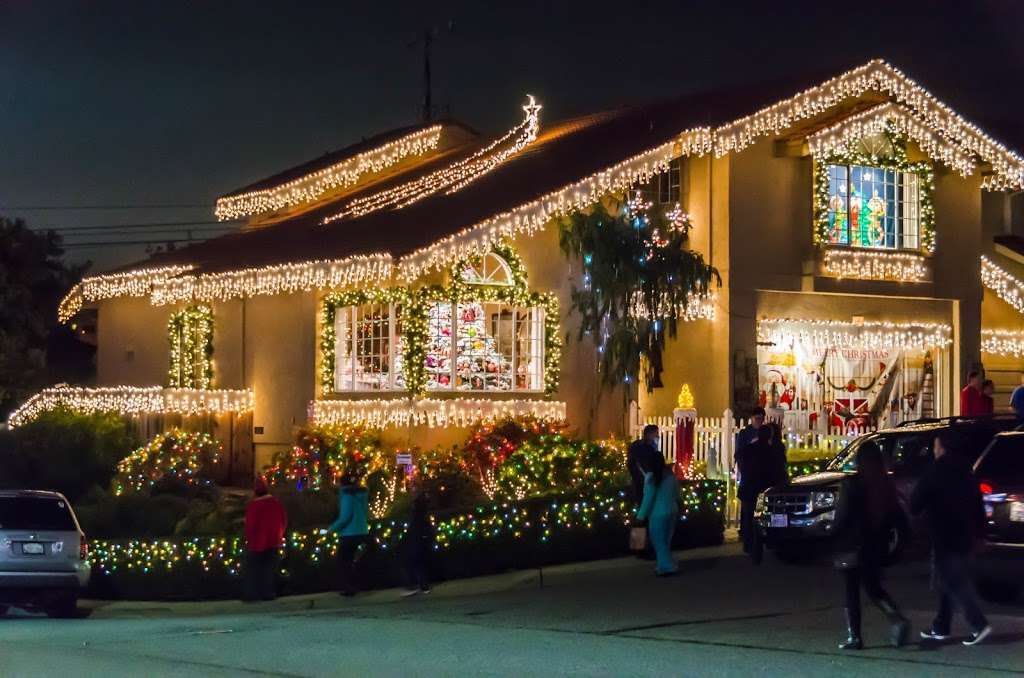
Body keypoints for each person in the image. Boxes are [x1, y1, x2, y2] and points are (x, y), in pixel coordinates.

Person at [911, 430, 992, 646]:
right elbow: (978, 504)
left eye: (936, 446)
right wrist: (981, 533)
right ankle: (941, 625)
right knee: (946, 581)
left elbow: (915, 503)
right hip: (965, 533)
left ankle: (978, 624)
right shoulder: (966, 470)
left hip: (943, 534)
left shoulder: (935, 471)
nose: (934, 450)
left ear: (941, 447)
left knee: (952, 581)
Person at [832, 441, 910, 650]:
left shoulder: (853, 484)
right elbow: (898, 517)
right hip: (875, 544)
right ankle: (896, 617)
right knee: (873, 588)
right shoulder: (884, 484)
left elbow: (843, 515)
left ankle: (854, 636)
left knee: (851, 591)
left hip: (853, 544)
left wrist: (832, 533)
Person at [243, 476, 288, 602]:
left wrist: (249, 538)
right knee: (268, 569)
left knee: (253, 569)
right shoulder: (276, 503)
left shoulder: (254, 506)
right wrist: (279, 534)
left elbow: (250, 525)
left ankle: (252, 594)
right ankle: (267, 593)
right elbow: (284, 521)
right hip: (274, 540)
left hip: (257, 542)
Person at [635, 460, 681, 576]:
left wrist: (641, 515)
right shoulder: (671, 477)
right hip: (672, 510)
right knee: (666, 540)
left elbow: (648, 498)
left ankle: (667, 566)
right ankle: (663, 565)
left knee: (659, 541)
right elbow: (677, 493)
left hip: (657, 513)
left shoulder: (651, 478)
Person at [327, 473, 370, 597]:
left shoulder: (346, 496)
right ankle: (356, 585)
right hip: (361, 531)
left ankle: (349, 588)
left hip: (349, 533)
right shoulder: (362, 495)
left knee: (343, 561)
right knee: (352, 560)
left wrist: (331, 529)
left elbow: (345, 517)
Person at [735, 424, 773, 554]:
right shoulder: (769, 450)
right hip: (761, 490)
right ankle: (757, 543)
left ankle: (748, 543)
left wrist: (743, 470)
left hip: (747, 488)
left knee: (747, 516)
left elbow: (738, 456)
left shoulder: (750, 448)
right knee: (758, 517)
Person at [402, 491, 434, 597]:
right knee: (420, 563)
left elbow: (415, 526)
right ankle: (423, 585)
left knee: (413, 562)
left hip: (416, 539)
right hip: (421, 539)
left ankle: (412, 586)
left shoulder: (417, 513)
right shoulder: (424, 513)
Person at [627, 424, 663, 505]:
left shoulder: (638, 444)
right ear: (650, 434)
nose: (658, 436)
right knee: (643, 500)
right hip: (643, 479)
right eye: (656, 433)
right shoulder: (645, 447)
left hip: (639, 477)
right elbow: (646, 463)